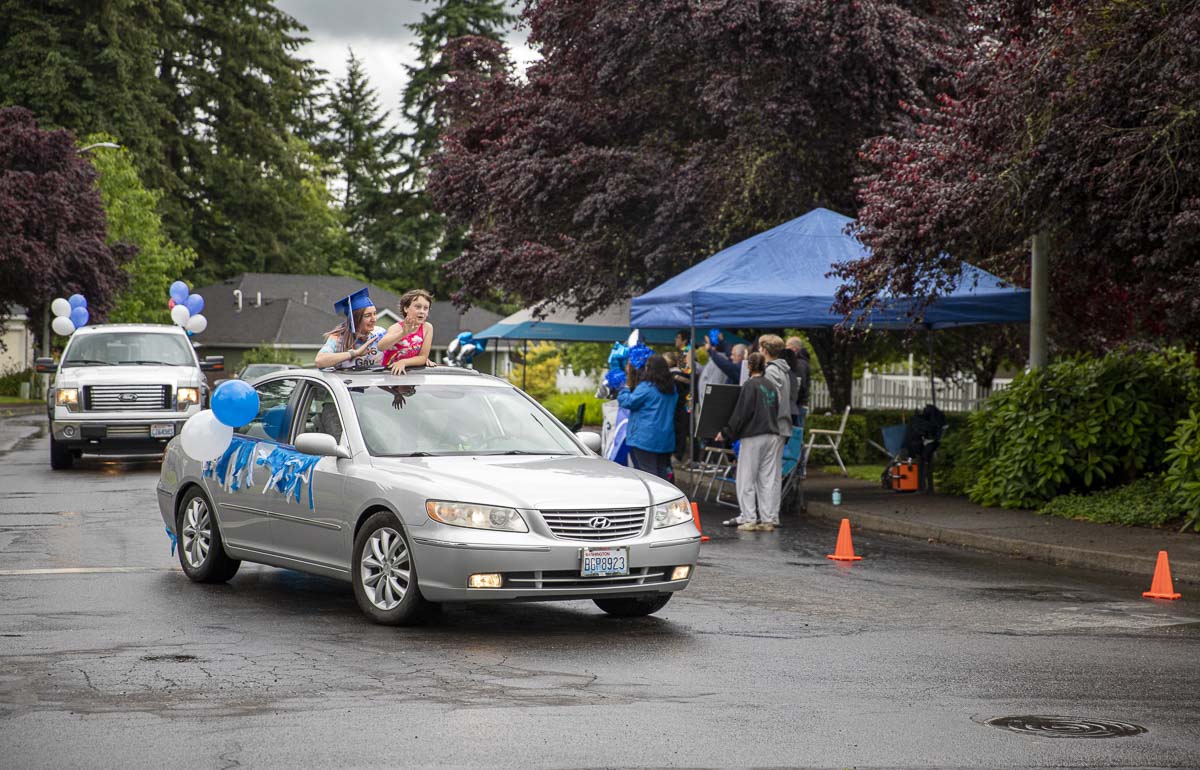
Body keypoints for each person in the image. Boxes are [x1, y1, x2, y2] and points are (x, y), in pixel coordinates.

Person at [715, 352, 783, 531]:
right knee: (767, 480)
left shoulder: (749, 385)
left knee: (746, 478)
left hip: (753, 435)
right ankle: (768, 519)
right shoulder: (770, 385)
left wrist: (727, 432)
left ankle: (749, 518)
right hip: (772, 434)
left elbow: (741, 413)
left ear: (749, 367)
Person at [616, 354, 678, 480]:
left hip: (645, 439)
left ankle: (655, 499)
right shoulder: (672, 388)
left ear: (649, 368)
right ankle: (667, 496)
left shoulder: (647, 387)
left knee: (648, 475)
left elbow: (627, 402)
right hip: (665, 439)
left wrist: (626, 387)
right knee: (662, 473)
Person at [315, 288, 392, 369]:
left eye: (375, 314)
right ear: (355, 319)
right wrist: (354, 353)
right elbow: (319, 361)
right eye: (367, 315)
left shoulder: (380, 333)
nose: (374, 319)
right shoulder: (338, 339)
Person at [381, 289, 434, 374]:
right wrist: (403, 333)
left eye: (425, 308)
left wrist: (403, 362)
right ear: (406, 308)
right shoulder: (396, 328)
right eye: (418, 307)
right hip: (390, 373)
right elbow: (381, 347)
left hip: (411, 374)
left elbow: (423, 357)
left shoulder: (427, 328)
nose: (422, 311)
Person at [663, 351, 691, 462]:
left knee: (676, 431)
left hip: (674, 408)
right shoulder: (684, 376)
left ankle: (676, 455)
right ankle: (679, 454)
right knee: (682, 431)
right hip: (684, 406)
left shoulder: (670, 377)